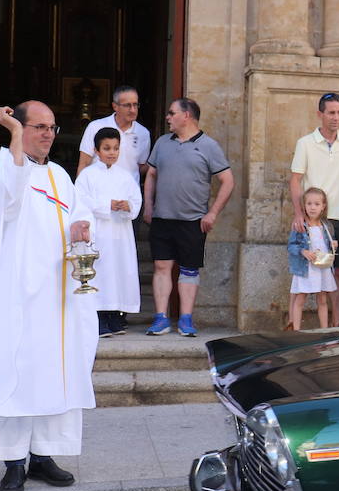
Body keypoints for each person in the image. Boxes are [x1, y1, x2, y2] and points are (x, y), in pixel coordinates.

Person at [0, 101, 93, 491]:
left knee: (53, 373)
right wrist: (14, 136)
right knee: (14, 375)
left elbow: (75, 216)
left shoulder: (59, 176)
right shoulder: (0, 170)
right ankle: (13, 461)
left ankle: (43, 455)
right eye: (38, 127)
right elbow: (8, 203)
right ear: (20, 127)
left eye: (52, 127)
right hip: (16, 297)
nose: (48, 134)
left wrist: (82, 226)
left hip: (56, 298)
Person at [141, 98, 235, 337]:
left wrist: (213, 213)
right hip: (163, 218)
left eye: (172, 113)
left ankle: (185, 319)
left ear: (187, 116)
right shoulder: (162, 143)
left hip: (193, 221)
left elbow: (228, 181)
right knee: (161, 266)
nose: (168, 117)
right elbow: (151, 174)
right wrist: (148, 206)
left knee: (189, 270)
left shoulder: (209, 146)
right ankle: (161, 318)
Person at [290, 93, 339, 326]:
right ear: (320, 114)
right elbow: (295, 180)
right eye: (331, 112)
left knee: (338, 272)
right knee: (302, 270)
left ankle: (336, 322)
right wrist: (298, 213)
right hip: (312, 220)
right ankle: (294, 323)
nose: (336, 117)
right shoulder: (305, 143)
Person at [74, 128, 142, 337]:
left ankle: (116, 314)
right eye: (107, 148)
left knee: (120, 272)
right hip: (99, 232)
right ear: (96, 150)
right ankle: (99, 316)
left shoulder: (125, 176)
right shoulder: (87, 175)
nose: (112, 153)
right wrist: (107, 204)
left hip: (121, 233)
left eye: (115, 148)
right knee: (102, 273)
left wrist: (127, 206)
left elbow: (136, 200)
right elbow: (81, 200)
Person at [76, 85, 152, 182]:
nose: (133, 110)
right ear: (115, 106)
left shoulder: (143, 133)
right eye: (127, 105)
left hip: (127, 194)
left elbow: (140, 168)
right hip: (97, 191)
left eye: (135, 105)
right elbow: (84, 164)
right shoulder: (95, 127)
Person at [288, 187, 337, 330]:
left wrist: (333, 244)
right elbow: (291, 246)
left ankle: (324, 330)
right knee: (301, 298)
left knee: (322, 298)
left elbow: (327, 244)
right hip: (306, 268)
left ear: (323, 206)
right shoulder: (300, 225)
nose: (312, 207)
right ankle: (296, 330)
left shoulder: (326, 226)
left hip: (322, 267)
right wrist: (303, 251)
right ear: (304, 205)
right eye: (309, 204)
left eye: (316, 204)